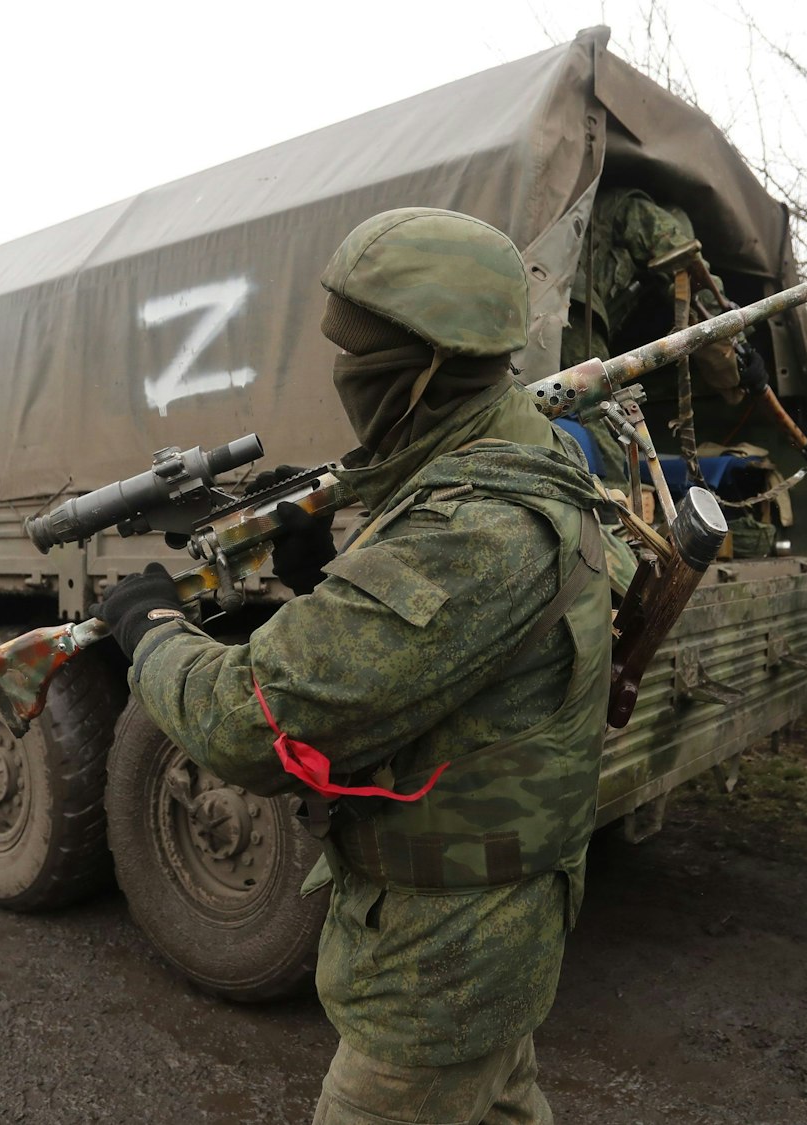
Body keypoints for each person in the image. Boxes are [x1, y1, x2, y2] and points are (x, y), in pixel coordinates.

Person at [92, 208, 615, 1125]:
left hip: (436, 967)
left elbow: (249, 723)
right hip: (487, 938)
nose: (341, 371)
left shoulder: (475, 526)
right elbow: (421, 671)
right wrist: (316, 573)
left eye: (359, 350)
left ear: (426, 362)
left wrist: (151, 630)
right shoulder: (511, 458)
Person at [562, 187, 763, 484]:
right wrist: (741, 345)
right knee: (605, 412)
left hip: (571, 316)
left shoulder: (635, 265)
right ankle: (619, 511)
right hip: (570, 311)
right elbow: (688, 265)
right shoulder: (631, 209)